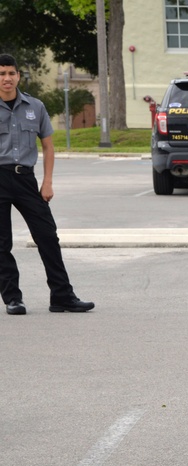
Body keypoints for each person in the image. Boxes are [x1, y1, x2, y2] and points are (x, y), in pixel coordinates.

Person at [0, 54, 94, 315]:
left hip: (26, 179)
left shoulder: (35, 106)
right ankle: (12, 299)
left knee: (48, 237)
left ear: (18, 76)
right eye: (1, 73)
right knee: (1, 243)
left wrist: (47, 182)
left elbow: (48, 146)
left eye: (11, 73)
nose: (6, 78)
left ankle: (62, 296)